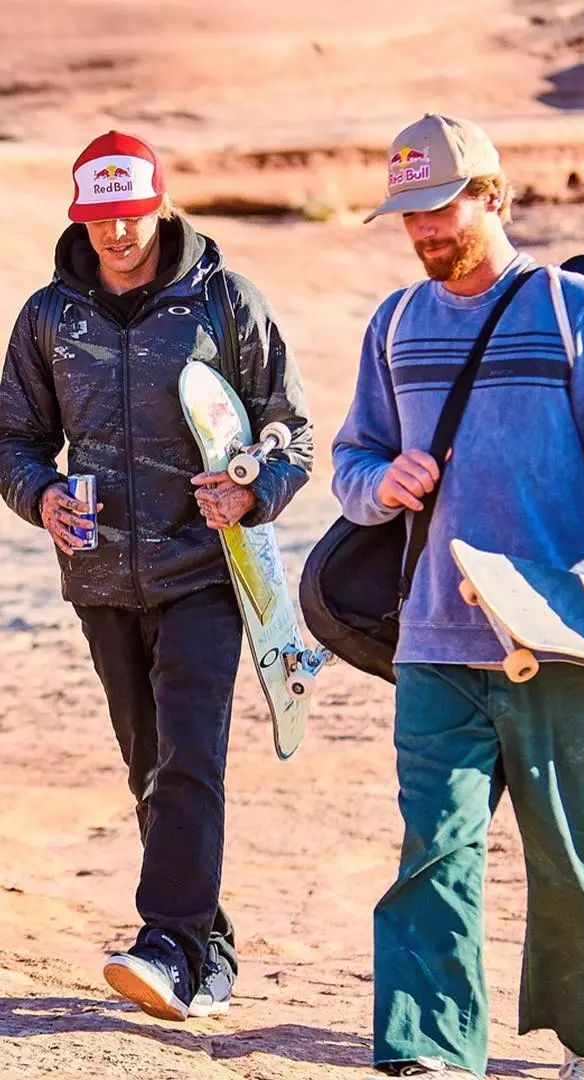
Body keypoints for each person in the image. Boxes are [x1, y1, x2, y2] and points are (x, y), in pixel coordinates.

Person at [332, 113, 584, 1079]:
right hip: (434, 639)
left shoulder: (575, 313)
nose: (423, 232)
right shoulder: (395, 322)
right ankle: (433, 1051)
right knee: (433, 858)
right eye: (408, 216)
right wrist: (380, 482)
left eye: (438, 210)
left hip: (565, 639)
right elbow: (351, 461)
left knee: (577, 860)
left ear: (491, 196)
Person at [0, 130, 313, 1022]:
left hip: (207, 573)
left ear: (161, 206)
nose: (116, 234)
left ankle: (167, 943)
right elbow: (14, 439)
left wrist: (253, 492)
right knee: (148, 764)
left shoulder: (222, 302)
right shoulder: (49, 318)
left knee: (189, 756)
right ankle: (205, 948)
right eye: (98, 219)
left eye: (130, 215)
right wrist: (41, 496)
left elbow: (289, 429)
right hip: (100, 580)